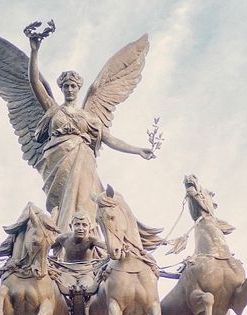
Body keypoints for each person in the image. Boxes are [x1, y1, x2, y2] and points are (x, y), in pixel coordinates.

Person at [28, 36, 154, 232]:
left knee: (85, 202)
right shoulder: (53, 110)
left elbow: (109, 139)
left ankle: (85, 236)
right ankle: (61, 236)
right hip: (58, 160)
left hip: (84, 159)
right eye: (66, 86)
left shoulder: (89, 116)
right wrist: (34, 51)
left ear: (78, 89)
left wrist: (137, 150)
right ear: (61, 88)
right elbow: (35, 81)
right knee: (61, 203)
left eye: (73, 86)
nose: (70, 89)